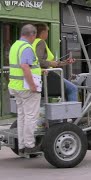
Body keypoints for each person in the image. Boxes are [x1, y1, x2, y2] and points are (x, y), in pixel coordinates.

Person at [8, 24, 42, 154]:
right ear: (32, 34)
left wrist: (40, 71)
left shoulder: (15, 46)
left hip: (16, 86)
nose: (34, 39)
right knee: (31, 117)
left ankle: (22, 145)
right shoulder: (27, 47)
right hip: (26, 88)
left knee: (22, 116)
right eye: (35, 36)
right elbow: (24, 66)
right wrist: (33, 85)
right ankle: (29, 145)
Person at [33, 23, 78, 101]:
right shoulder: (40, 42)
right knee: (72, 89)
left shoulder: (32, 42)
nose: (47, 34)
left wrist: (65, 62)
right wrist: (51, 63)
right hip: (44, 75)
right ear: (43, 32)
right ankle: (72, 112)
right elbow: (39, 61)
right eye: (47, 31)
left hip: (37, 75)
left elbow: (46, 61)